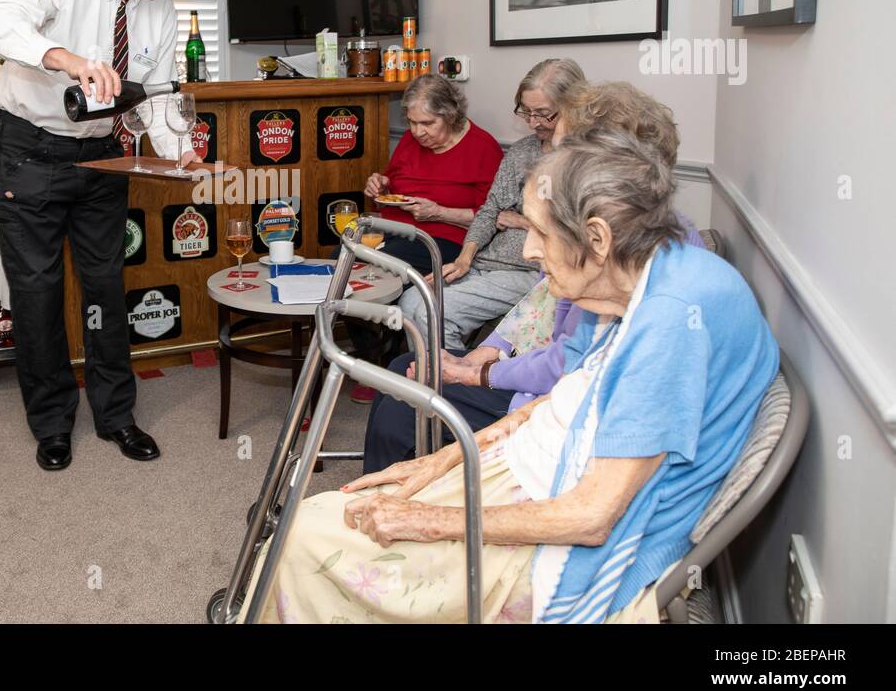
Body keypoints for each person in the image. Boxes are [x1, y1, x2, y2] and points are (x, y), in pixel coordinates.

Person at [241, 128, 779, 623]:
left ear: (596, 238)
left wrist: (425, 521)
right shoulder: (638, 276)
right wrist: (442, 460)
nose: (527, 250)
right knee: (316, 519)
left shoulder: (672, 319)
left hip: (566, 547)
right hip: (532, 469)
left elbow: (592, 518)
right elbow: (570, 393)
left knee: (302, 540)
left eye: (539, 232)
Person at [364, 81, 706, 471]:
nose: (532, 250)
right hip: (537, 391)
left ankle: (396, 490)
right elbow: (555, 328)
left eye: (564, 156)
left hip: (541, 417)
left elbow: (573, 385)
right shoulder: (625, 244)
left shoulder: (627, 263)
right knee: (406, 370)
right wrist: (484, 356)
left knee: (405, 394)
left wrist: (481, 374)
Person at [0, 0, 200, 472]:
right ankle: (51, 424)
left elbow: (154, 97)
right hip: (30, 151)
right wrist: (66, 59)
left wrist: (180, 154)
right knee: (38, 295)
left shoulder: (161, 10)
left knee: (105, 290)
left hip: (101, 155)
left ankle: (116, 416)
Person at [398, 58, 586, 348]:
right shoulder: (523, 151)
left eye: (544, 114)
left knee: (429, 313)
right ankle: (426, 385)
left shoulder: (587, 159)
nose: (533, 122)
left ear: (573, 106)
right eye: (526, 112)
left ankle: (451, 387)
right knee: (411, 300)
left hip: (528, 270)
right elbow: (490, 210)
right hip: (484, 260)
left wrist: (519, 220)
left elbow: (576, 232)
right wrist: (464, 258)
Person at [346, 74, 501, 401]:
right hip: (395, 229)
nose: (417, 132)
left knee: (377, 273)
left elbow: (493, 215)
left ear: (451, 114)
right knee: (341, 264)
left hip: (443, 238)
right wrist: (380, 186)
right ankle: (373, 356)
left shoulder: (483, 148)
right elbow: (394, 184)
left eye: (427, 123)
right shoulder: (412, 142)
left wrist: (439, 212)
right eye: (412, 123)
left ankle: (385, 360)